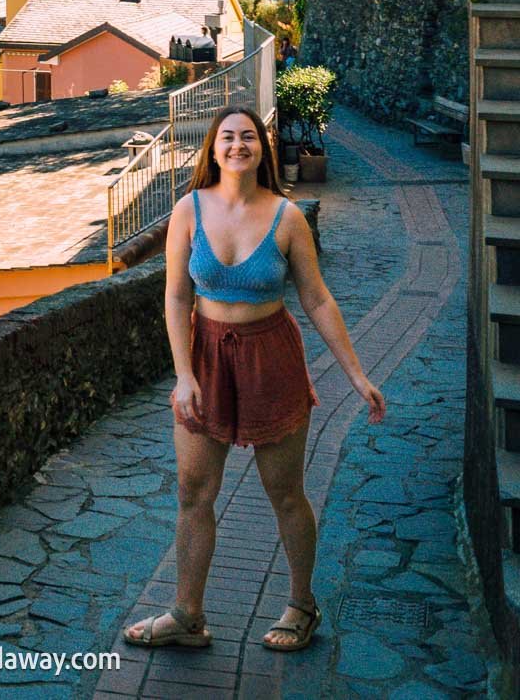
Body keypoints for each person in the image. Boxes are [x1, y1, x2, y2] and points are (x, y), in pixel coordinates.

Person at [125, 106, 385, 653]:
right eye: (228, 137)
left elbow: (315, 298)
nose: (238, 145)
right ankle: (186, 615)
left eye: (248, 137)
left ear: (261, 149)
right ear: (212, 149)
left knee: (285, 492)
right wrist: (183, 376)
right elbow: (176, 297)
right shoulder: (188, 211)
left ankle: (302, 605)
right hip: (206, 357)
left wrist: (358, 375)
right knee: (193, 491)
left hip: (272, 357)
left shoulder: (286, 217)